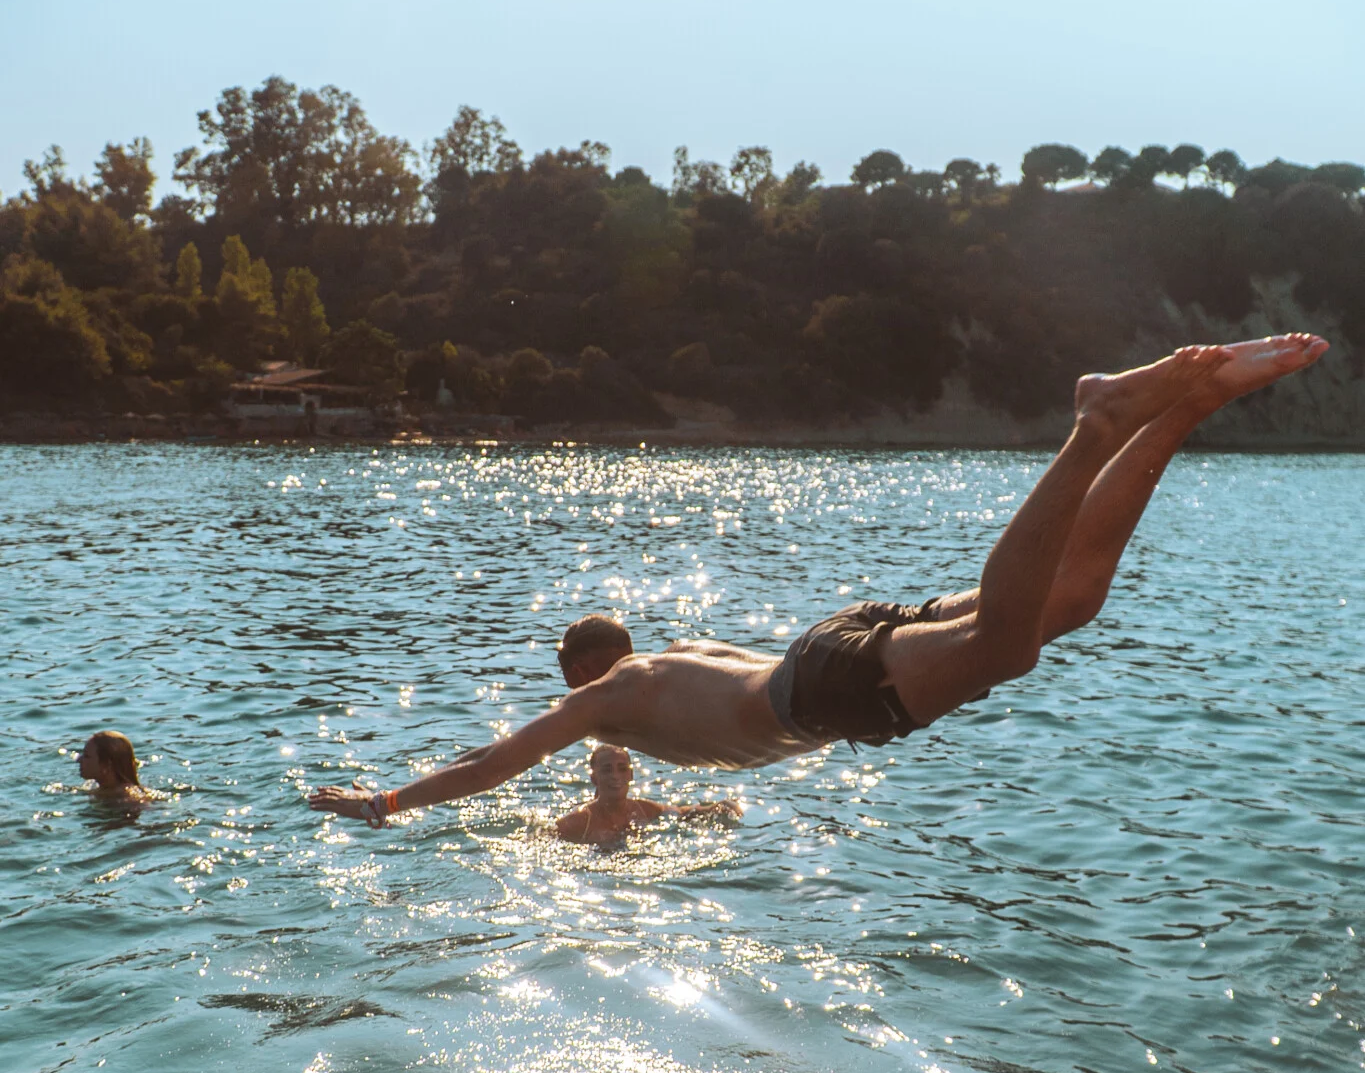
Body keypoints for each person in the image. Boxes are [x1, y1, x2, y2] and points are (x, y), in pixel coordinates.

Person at [308, 334, 1328, 828]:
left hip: (823, 689)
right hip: (828, 647)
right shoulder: (668, 663)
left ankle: (1096, 421)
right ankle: (1187, 406)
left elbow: (493, 760)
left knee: (1010, 644)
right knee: (1065, 604)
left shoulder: (606, 699)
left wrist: (387, 798)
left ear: (580, 670)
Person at [554, 743, 741, 845]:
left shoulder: (643, 809)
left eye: (622, 769)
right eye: (607, 770)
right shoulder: (580, 821)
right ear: (594, 778)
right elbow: (547, 838)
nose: (615, 776)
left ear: (631, 775)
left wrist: (717, 807)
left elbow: (682, 812)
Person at [78, 730, 155, 803]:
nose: (79, 760)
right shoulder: (106, 790)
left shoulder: (128, 798)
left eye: (86, 756)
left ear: (107, 765)